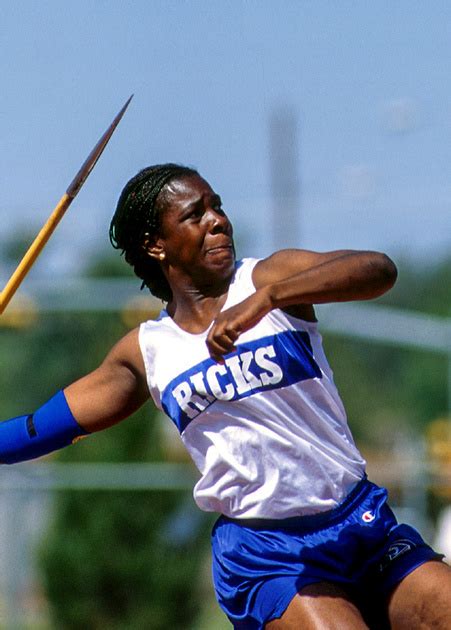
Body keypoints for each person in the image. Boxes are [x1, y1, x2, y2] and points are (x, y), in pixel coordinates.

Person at [1, 163, 450, 629]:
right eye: (195, 214)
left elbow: (379, 270)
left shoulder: (265, 278)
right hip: (270, 554)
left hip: (360, 520)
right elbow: (35, 430)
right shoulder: (148, 352)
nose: (217, 220)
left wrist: (267, 299)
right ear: (156, 245)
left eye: (217, 206)